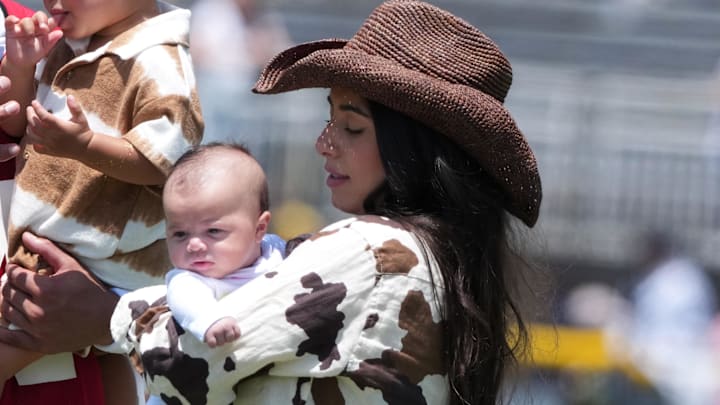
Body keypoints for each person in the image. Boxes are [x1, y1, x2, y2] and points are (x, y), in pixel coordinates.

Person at [3, 1, 543, 404]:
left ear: (416, 151)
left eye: (352, 126)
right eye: (331, 119)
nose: (324, 142)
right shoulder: (429, 253)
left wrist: (104, 314)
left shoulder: (381, 252)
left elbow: (203, 357)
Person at [0, 0, 203, 403]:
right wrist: (22, 69)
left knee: (21, 342)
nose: (53, 2)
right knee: (106, 366)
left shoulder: (158, 55)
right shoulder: (72, 40)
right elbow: (18, 124)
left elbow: (168, 160)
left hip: (97, 255)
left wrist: (84, 145)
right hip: (68, 245)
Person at [163, 143, 285, 348]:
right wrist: (212, 321)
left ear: (259, 229)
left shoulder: (276, 251)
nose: (193, 245)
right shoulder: (189, 281)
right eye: (180, 234)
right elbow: (187, 301)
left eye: (213, 231)